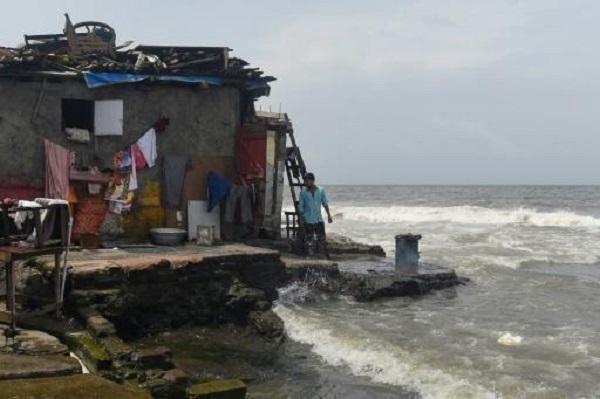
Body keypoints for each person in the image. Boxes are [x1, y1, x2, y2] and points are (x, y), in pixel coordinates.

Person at [298, 172, 332, 257]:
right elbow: (301, 207)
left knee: (321, 239)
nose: (305, 182)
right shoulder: (303, 192)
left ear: (312, 181)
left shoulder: (321, 190)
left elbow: (325, 203)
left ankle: (322, 255)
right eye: (304, 180)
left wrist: (329, 215)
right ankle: (309, 256)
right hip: (308, 220)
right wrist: (301, 219)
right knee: (309, 240)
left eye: (306, 180)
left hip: (318, 220)